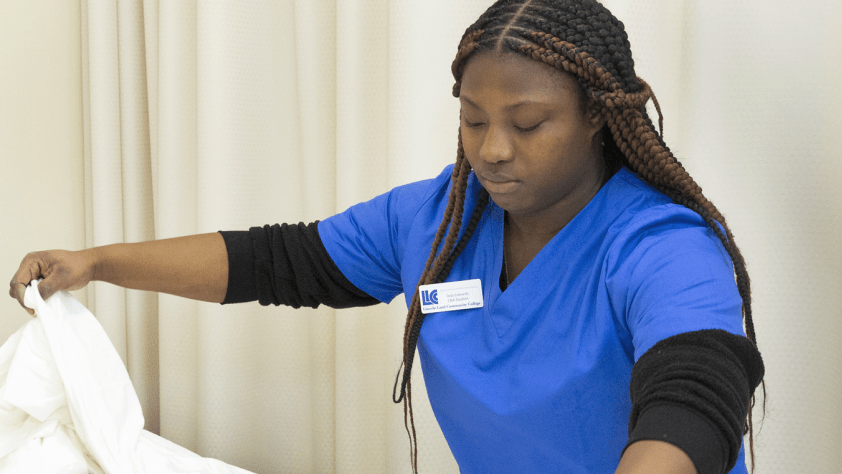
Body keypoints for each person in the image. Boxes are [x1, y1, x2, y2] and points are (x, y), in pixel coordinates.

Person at [9, 1, 764, 473]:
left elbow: (694, 397)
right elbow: (280, 261)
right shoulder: (437, 219)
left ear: (600, 117)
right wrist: (98, 262)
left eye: (527, 124)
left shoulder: (661, 245)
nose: (492, 148)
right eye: (473, 119)